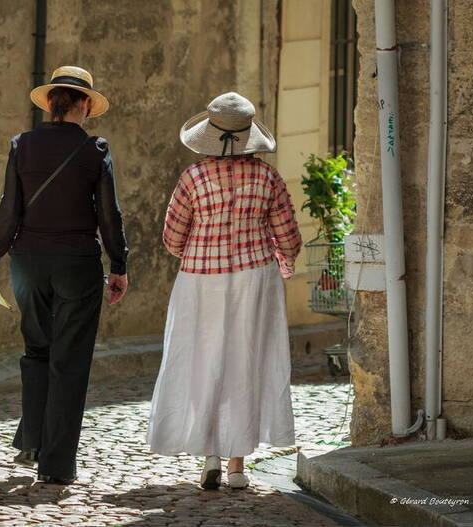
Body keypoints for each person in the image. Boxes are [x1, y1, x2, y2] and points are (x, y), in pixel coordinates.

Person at [0, 66, 129, 486]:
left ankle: (31, 440)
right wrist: (119, 265)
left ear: (51, 104)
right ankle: (57, 465)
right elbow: (108, 214)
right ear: (83, 104)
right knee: (70, 361)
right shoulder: (95, 149)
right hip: (77, 264)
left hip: (28, 263)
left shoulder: (21, 145)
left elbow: (9, 208)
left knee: (36, 351)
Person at [146, 92, 302, 490]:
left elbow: (172, 236)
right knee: (247, 362)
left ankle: (209, 455)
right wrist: (284, 260)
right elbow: (288, 235)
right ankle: (236, 466)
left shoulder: (193, 178)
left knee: (203, 360)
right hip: (255, 278)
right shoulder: (267, 177)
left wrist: (197, 253)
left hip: (201, 281)